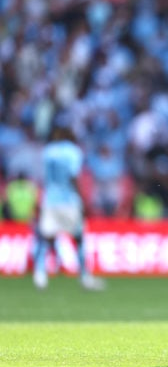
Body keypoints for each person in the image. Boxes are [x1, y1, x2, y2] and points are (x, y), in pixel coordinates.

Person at [33, 124, 105, 292]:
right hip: (69, 200)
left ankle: (40, 274)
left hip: (50, 199)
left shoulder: (48, 151)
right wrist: (83, 198)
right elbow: (74, 176)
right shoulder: (73, 151)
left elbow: (44, 177)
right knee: (78, 238)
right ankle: (84, 276)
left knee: (45, 237)